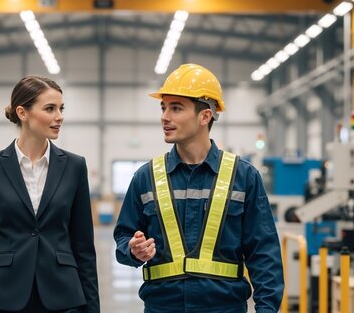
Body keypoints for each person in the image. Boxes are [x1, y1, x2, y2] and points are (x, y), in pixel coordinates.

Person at [114, 64, 283, 313]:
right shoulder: (146, 177)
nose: (164, 116)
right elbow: (124, 236)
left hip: (224, 308)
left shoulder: (244, 176)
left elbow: (264, 253)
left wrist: (267, 310)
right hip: (162, 307)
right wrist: (132, 249)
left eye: (176, 108)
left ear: (205, 116)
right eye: (163, 107)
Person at [0, 76, 100, 313]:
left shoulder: (75, 167)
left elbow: (84, 247)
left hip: (63, 297)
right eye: (50, 108)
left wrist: (93, 309)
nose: (59, 116)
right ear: (22, 113)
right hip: (4, 297)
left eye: (61, 108)